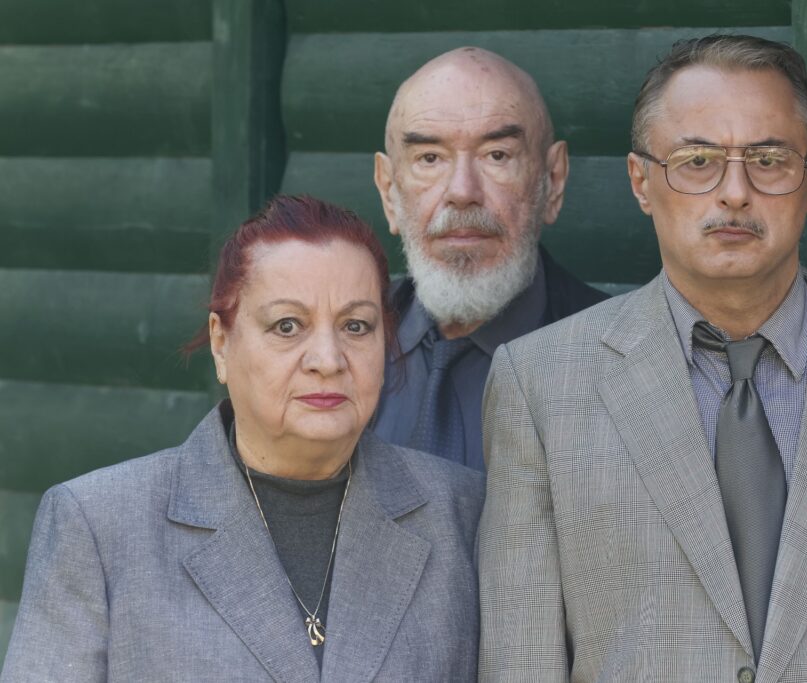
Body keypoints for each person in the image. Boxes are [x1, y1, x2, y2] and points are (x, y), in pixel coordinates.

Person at [478, 35, 807, 681]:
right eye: (697, 160)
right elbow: (522, 660)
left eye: (768, 159)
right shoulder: (539, 386)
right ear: (641, 181)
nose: (734, 192)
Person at [2, 196, 484, 682]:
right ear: (221, 343)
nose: (328, 359)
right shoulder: (98, 527)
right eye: (287, 326)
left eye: (355, 326)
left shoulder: (461, 514)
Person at [371, 47, 607, 471]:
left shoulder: (619, 360)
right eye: (429, 158)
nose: (462, 191)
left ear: (553, 180)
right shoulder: (342, 349)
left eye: (497, 155)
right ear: (389, 191)